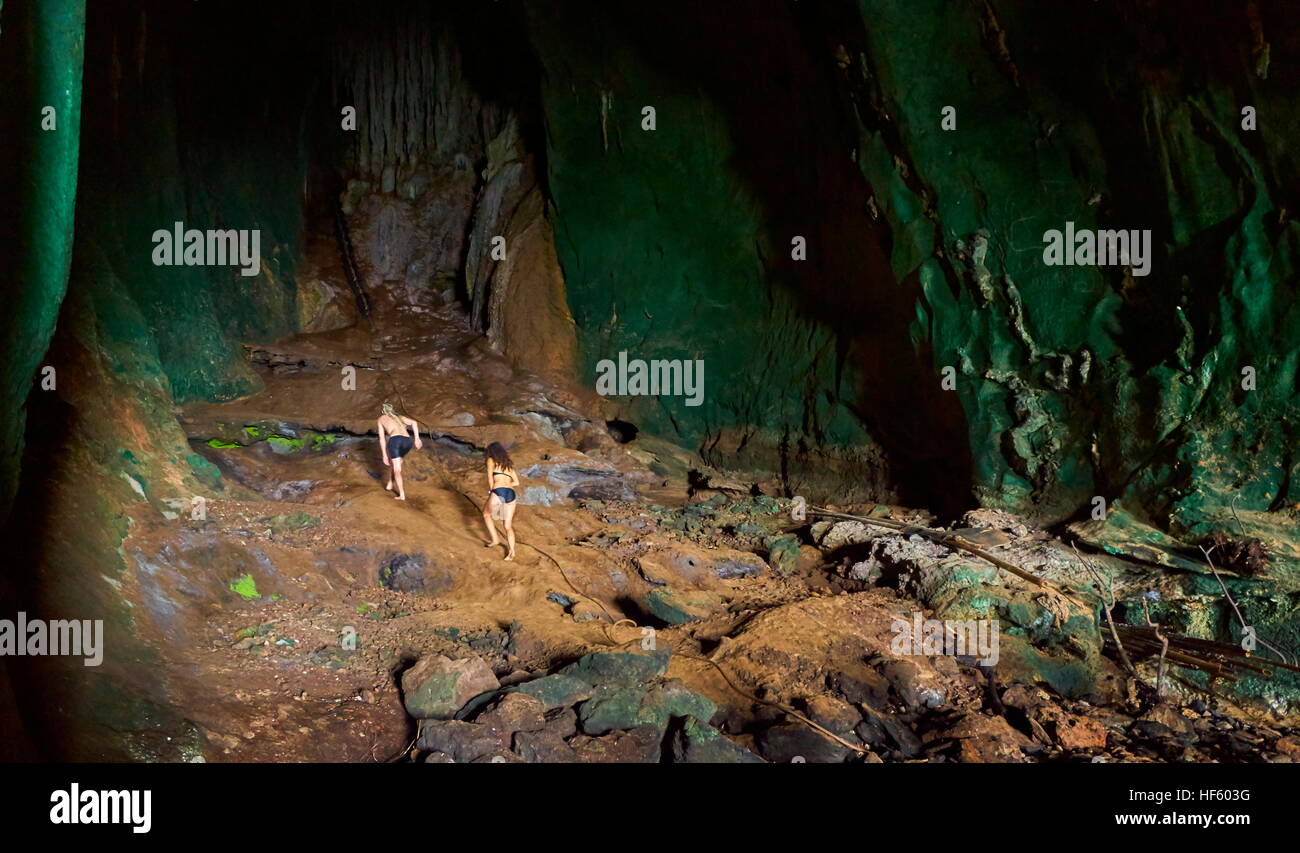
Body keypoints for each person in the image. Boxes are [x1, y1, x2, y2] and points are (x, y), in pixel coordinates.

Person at [482, 441, 520, 561]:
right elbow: (517, 482)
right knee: (508, 525)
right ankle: (512, 552)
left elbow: (490, 479)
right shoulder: (509, 465)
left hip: (499, 492)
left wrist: (492, 492)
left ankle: (495, 540)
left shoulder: (491, 460)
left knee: (486, 514)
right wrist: (507, 484)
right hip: (511, 493)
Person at [377, 402, 421, 500]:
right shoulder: (399, 417)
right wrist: (417, 439)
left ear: (383, 411)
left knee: (397, 469)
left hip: (396, 441)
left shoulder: (381, 419)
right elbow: (414, 422)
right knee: (396, 462)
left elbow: (382, 438)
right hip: (408, 442)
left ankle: (402, 495)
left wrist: (384, 455)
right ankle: (390, 483)